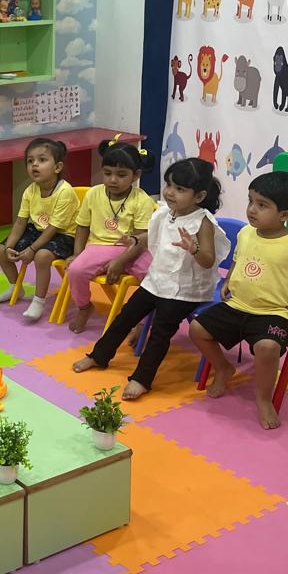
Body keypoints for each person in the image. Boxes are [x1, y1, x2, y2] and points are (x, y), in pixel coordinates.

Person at [72, 158, 231, 398]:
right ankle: (99, 355)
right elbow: (153, 234)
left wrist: (194, 249)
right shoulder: (167, 211)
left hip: (184, 289)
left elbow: (208, 260)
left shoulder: (203, 222)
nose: (170, 192)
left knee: (160, 332)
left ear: (199, 196)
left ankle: (142, 379)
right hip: (158, 280)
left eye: (180, 189)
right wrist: (135, 240)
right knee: (125, 316)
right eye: (169, 185)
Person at [189, 171, 288, 431]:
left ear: (284, 215)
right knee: (197, 329)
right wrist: (229, 280)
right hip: (237, 305)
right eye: (250, 201)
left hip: (275, 312)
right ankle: (223, 368)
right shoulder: (247, 233)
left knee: (267, 347)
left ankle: (264, 399)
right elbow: (238, 258)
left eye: (262, 205)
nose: (252, 209)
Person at [66, 138, 156, 333]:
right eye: (107, 173)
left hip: (132, 249)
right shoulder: (93, 194)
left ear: (136, 175)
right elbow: (82, 226)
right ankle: (84, 307)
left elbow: (141, 240)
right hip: (98, 247)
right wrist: (77, 254)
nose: (113, 180)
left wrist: (121, 261)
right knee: (75, 270)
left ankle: (143, 320)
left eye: (121, 175)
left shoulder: (142, 200)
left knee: (154, 274)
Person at [0, 137, 79, 322]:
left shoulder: (64, 192)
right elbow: (20, 222)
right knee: (0, 250)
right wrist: (9, 247)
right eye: (30, 161)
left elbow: (54, 228)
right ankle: (15, 286)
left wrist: (32, 249)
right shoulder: (30, 190)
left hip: (64, 235)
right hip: (39, 230)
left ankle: (39, 300)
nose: (34, 165)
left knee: (42, 256)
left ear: (57, 167)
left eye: (42, 160)